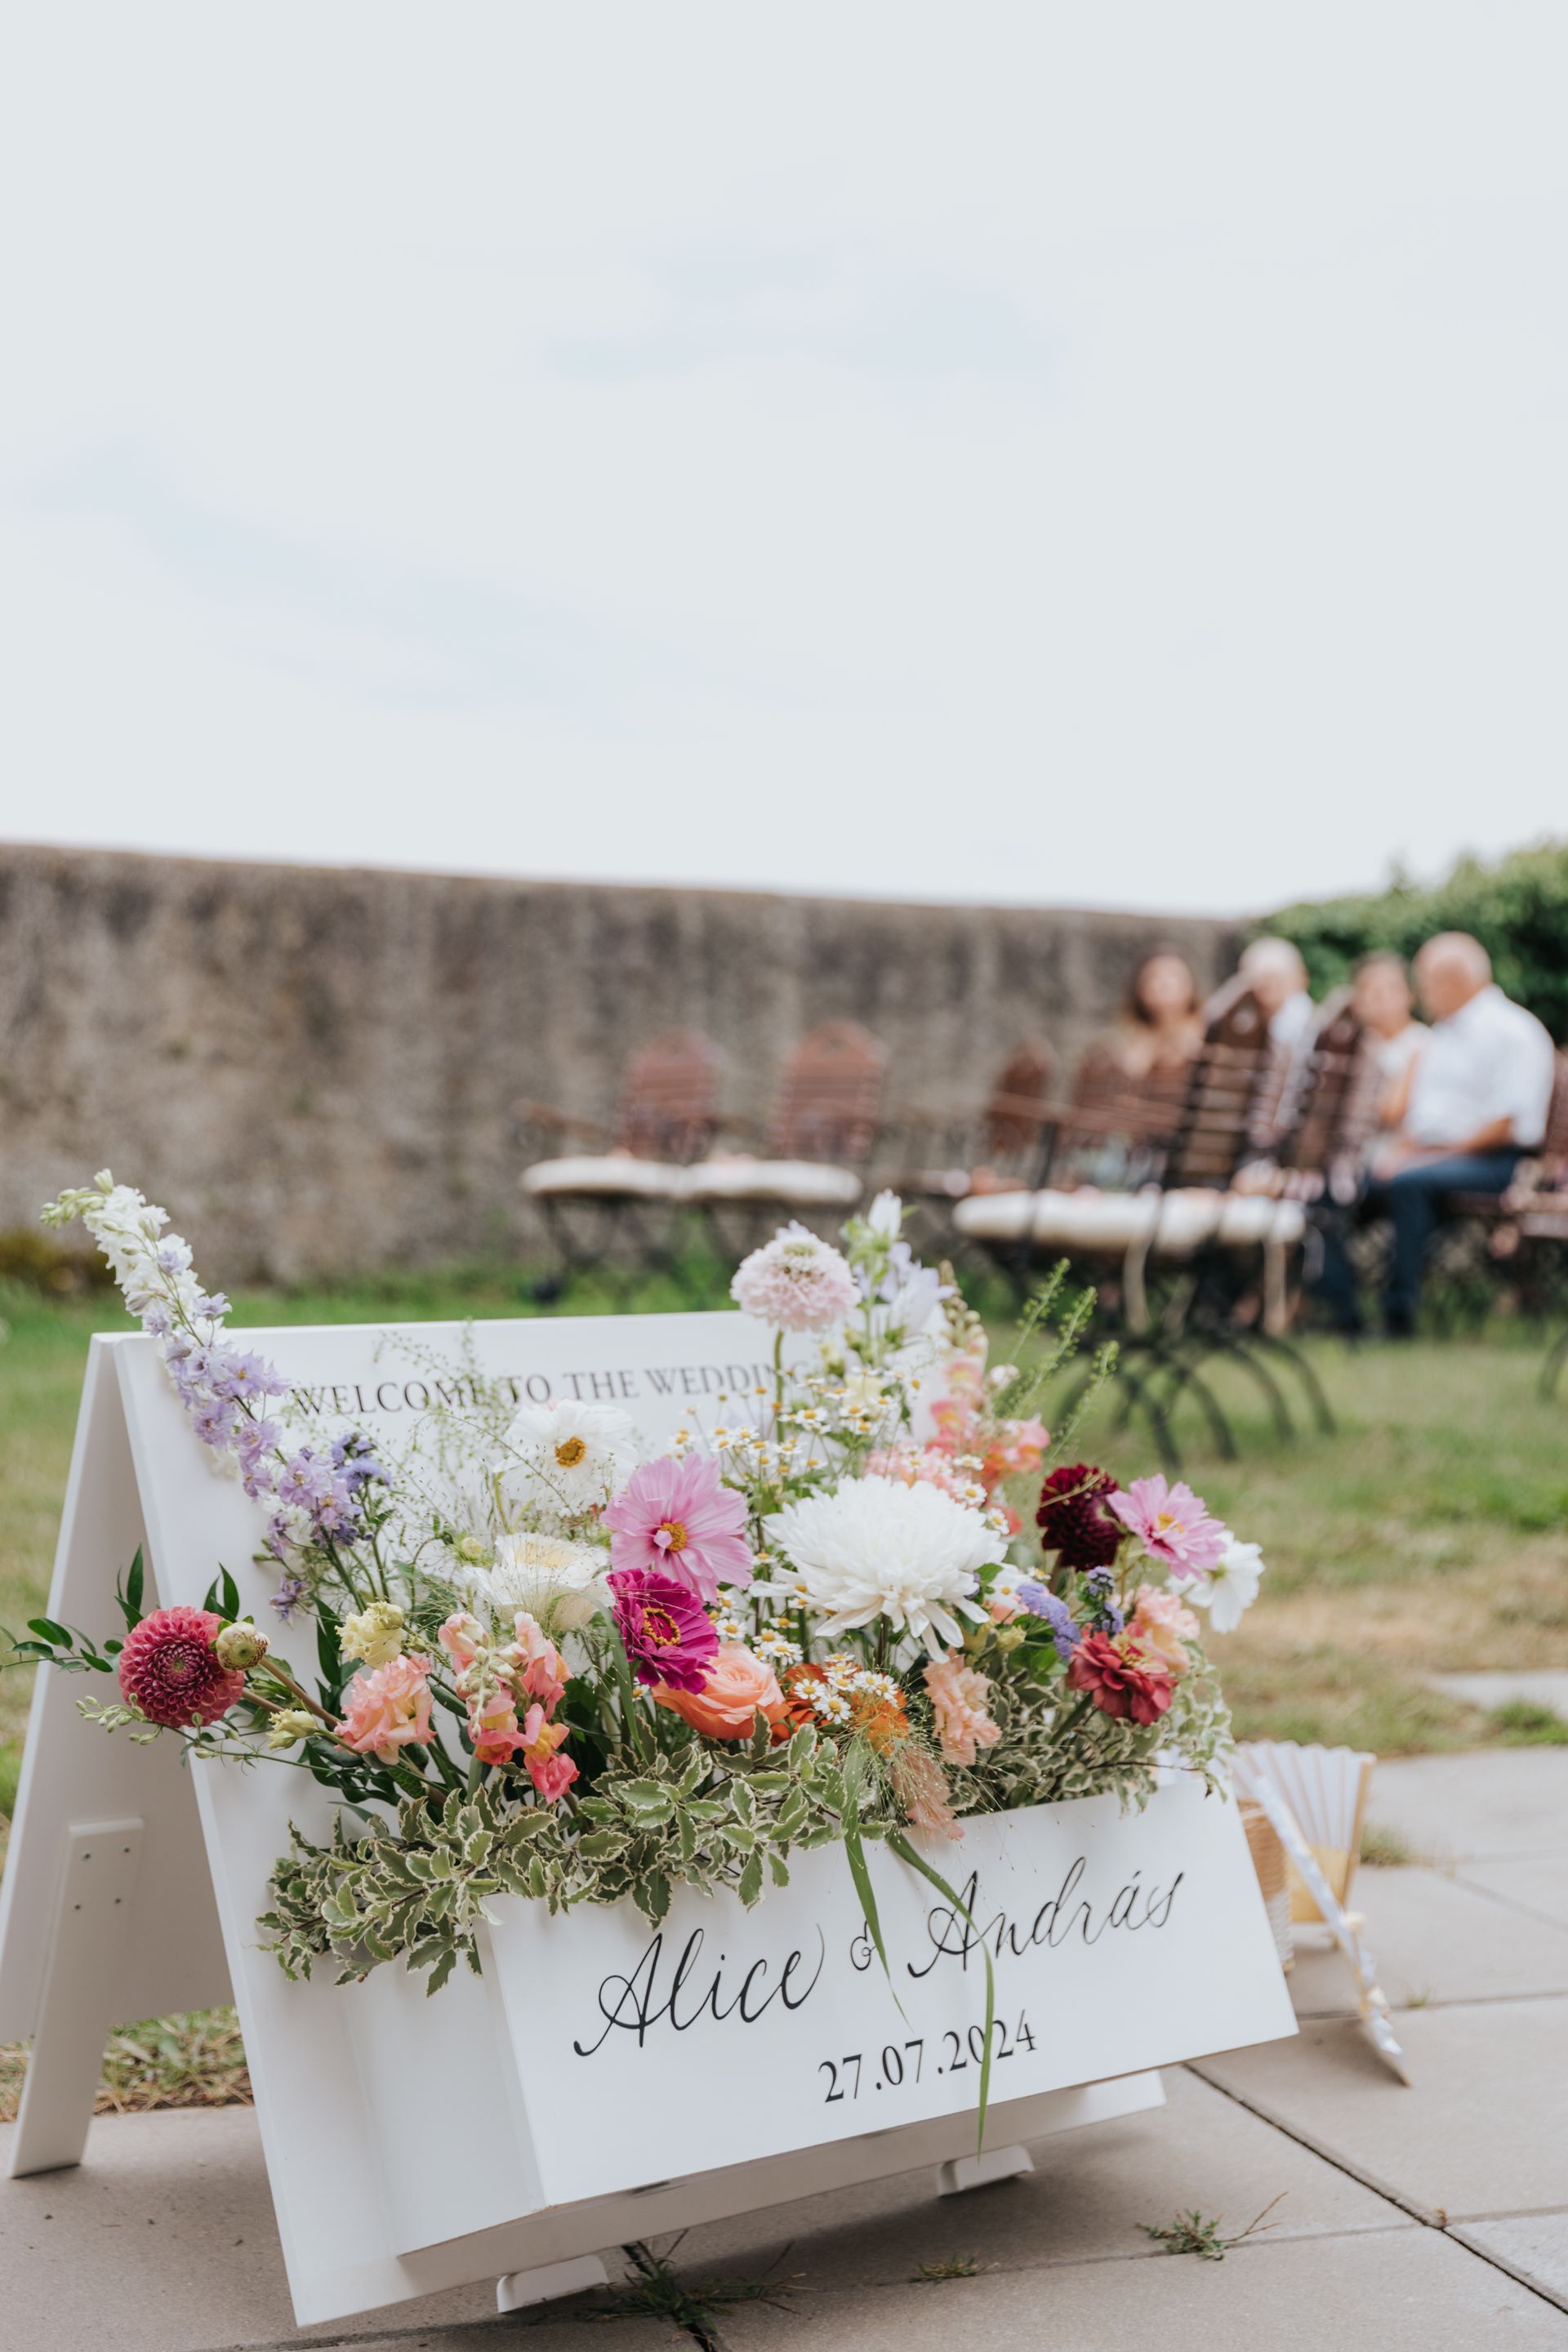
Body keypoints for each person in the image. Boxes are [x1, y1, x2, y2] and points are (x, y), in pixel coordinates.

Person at [1319, 933, 1554, 1335]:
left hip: (1498, 1162)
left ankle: (1399, 1314)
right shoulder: (1444, 1034)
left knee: (1409, 1183)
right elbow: (1423, 1117)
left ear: (1452, 980)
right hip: (1435, 1157)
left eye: (1424, 983)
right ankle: (1344, 1313)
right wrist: (1404, 1150)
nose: (1420, 994)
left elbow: (1506, 1126)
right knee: (1335, 1188)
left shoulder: (1512, 1031)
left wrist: (1428, 1155)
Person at [1107, 951, 1204, 1080]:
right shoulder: (1126, 1043)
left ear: (1190, 986)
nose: (1164, 984)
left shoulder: (1206, 1035)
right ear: (1140, 989)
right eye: (1155, 977)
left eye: (1173, 976)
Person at [1352, 950, 1427, 1108]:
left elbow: (1392, 1110)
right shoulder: (1352, 1042)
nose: (1381, 997)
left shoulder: (1424, 1043)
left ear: (1411, 994)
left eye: (1392, 988)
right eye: (1368, 988)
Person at [1239, 937, 1315, 1048]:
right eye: (1261, 983)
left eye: (1275, 980)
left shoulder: (1299, 1015)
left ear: (1302, 978)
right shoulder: (1248, 1018)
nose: (1269, 988)